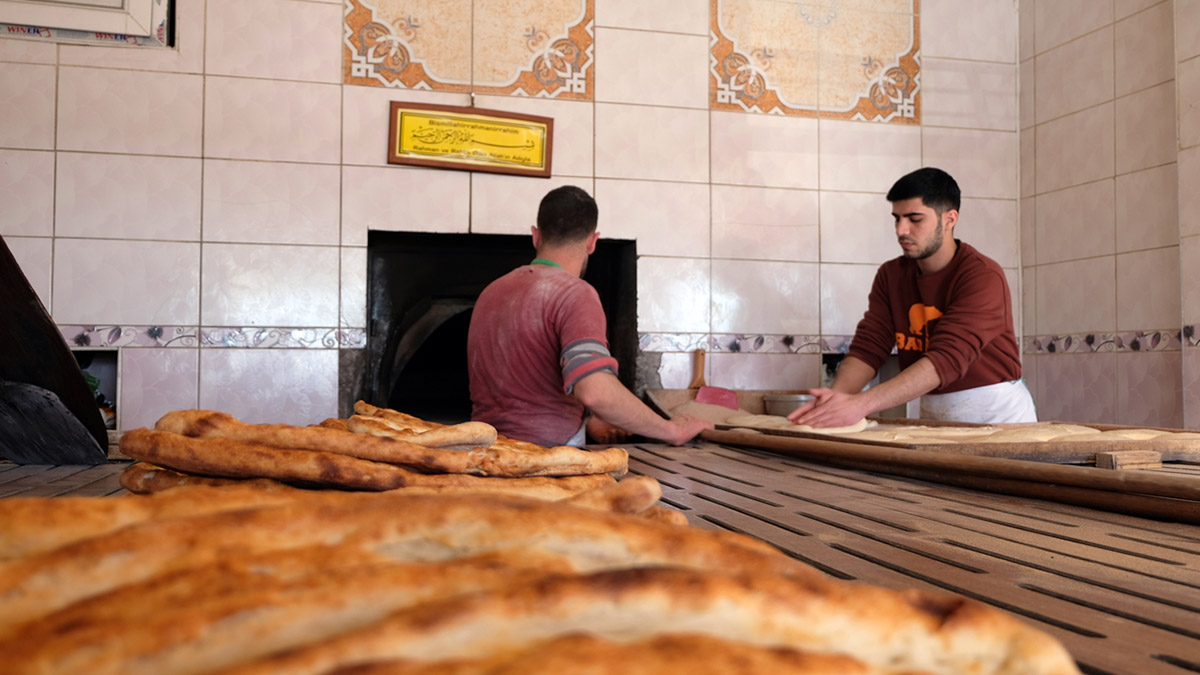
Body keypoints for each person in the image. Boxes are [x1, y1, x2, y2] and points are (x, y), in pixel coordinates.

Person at [467, 185, 713, 448]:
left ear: (536, 236)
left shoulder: (491, 293)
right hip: (546, 460)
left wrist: (585, 421)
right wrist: (672, 430)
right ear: (592, 241)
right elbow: (595, 392)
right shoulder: (574, 293)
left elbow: (523, 389)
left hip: (486, 452)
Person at [788, 167, 1036, 427]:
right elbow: (869, 347)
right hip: (936, 415)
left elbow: (946, 360)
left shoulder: (982, 276)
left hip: (999, 418)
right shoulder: (891, 275)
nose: (901, 230)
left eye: (915, 219)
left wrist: (860, 404)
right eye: (897, 219)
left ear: (949, 219)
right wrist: (834, 400)